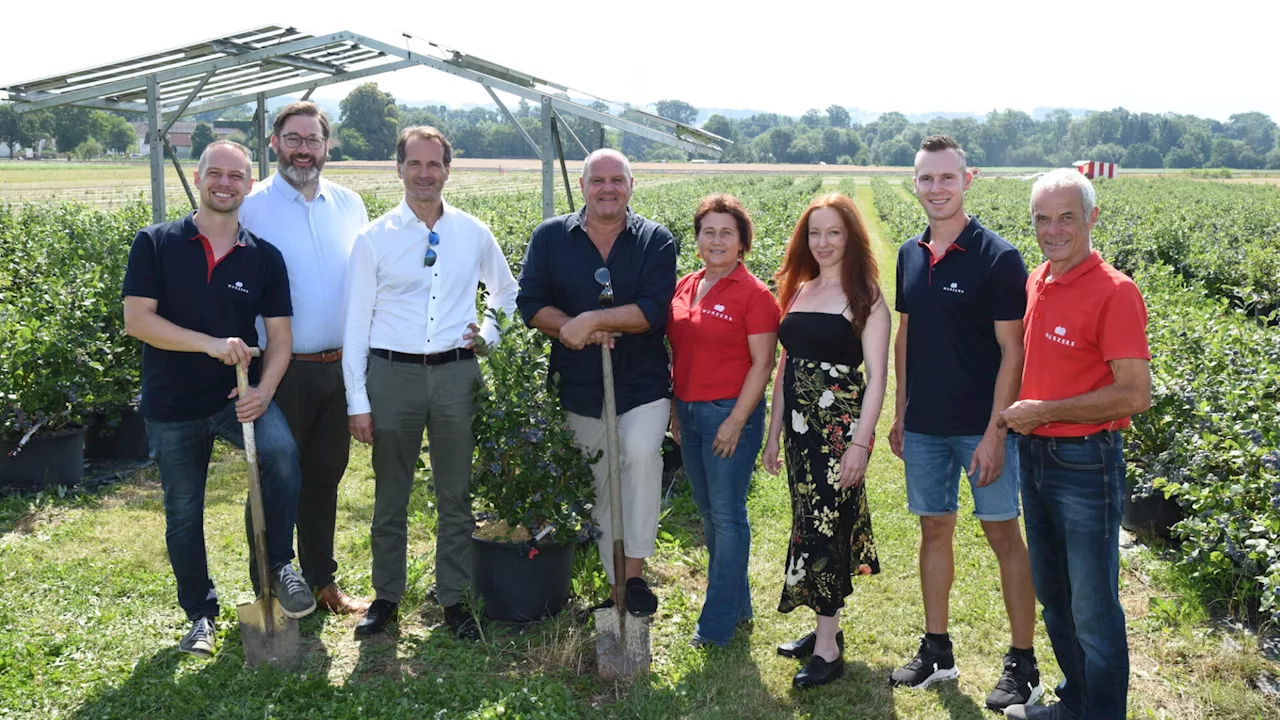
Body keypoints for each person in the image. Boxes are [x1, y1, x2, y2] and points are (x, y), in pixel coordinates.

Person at [122, 140, 314, 659]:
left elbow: (280, 340)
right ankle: (200, 615)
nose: (225, 184)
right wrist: (209, 344)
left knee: (281, 455)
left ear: (249, 186)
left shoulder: (263, 257)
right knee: (184, 513)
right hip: (171, 404)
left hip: (238, 396)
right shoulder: (157, 243)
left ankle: (277, 565)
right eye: (216, 174)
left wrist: (265, 391)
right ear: (200, 178)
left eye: (236, 176)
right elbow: (137, 320)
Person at [342, 126, 519, 639]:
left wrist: (487, 336)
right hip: (391, 374)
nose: (424, 174)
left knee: (455, 494)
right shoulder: (374, 240)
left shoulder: (472, 232)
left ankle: (455, 599)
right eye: (414, 164)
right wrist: (358, 400)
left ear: (448, 169)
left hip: (455, 375)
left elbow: (507, 292)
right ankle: (386, 598)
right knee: (391, 493)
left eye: (434, 164)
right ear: (398, 169)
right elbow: (355, 324)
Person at [886, 134, 1042, 712]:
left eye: (946, 177)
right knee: (934, 530)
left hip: (981, 427)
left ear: (967, 180)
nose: (936, 188)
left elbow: (1013, 351)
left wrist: (997, 431)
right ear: (916, 183)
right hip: (925, 425)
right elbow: (907, 335)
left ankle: (1023, 663)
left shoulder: (998, 258)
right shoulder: (908, 253)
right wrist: (901, 410)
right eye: (926, 178)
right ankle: (938, 650)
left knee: (1003, 533)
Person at [1001, 169, 1150, 720]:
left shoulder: (1114, 291)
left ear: (1092, 217)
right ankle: (1075, 703)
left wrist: (1046, 412)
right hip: (1035, 455)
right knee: (1056, 596)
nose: (1053, 229)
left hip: (1086, 460)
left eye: (1067, 216)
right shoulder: (1037, 279)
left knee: (1092, 607)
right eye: (1043, 218)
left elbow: (1134, 394)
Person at [517, 148, 676, 615]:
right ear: (584, 187)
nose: (608, 188)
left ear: (631, 185)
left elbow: (652, 310)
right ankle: (617, 592)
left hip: (642, 383)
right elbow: (531, 302)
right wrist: (570, 327)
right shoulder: (550, 237)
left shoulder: (654, 240)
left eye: (617, 180)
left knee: (642, 454)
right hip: (579, 385)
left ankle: (636, 576)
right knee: (604, 483)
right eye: (598, 180)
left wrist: (589, 320)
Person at [239, 101, 370, 615]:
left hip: (338, 367)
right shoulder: (251, 207)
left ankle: (321, 580)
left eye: (312, 139)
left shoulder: (351, 205)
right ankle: (269, 584)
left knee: (324, 476)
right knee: (276, 473)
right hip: (279, 369)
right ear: (274, 144)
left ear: (326, 145)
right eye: (293, 138)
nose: (303, 149)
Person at [763, 192, 890, 689]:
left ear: (851, 237)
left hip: (838, 434)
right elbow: (785, 367)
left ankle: (827, 647)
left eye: (833, 232)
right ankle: (823, 626)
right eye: (814, 233)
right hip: (797, 434)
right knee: (807, 521)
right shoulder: (798, 289)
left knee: (825, 526)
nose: (823, 242)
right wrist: (773, 434)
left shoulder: (867, 298)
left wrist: (861, 444)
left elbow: (877, 377)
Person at [667, 194, 780, 647]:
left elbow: (763, 363)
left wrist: (735, 420)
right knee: (710, 514)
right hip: (689, 413)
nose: (716, 240)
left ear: (742, 243)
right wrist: (676, 409)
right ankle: (739, 607)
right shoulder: (685, 285)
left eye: (726, 233)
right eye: (708, 231)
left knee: (728, 516)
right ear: (696, 240)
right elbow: (676, 351)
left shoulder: (754, 295)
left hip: (728, 414)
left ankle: (714, 626)